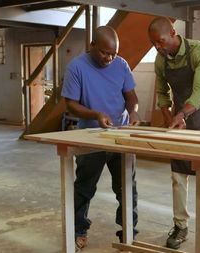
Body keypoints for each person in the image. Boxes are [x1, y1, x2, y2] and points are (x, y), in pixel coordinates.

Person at [148, 17, 200, 253]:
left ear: (173, 33)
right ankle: (180, 226)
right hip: (180, 116)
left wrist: (179, 115)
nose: (159, 47)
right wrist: (168, 116)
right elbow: (162, 93)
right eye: (154, 44)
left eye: (161, 42)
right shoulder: (161, 60)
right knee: (179, 175)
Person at [61, 26, 140, 251]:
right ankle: (78, 231)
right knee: (84, 188)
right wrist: (95, 114)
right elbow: (71, 105)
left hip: (120, 135)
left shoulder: (121, 64)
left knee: (126, 188)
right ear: (92, 45)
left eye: (113, 54)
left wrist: (133, 111)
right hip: (91, 137)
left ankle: (128, 234)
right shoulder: (76, 67)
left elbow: (131, 96)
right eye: (105, 52)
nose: (109, 58)